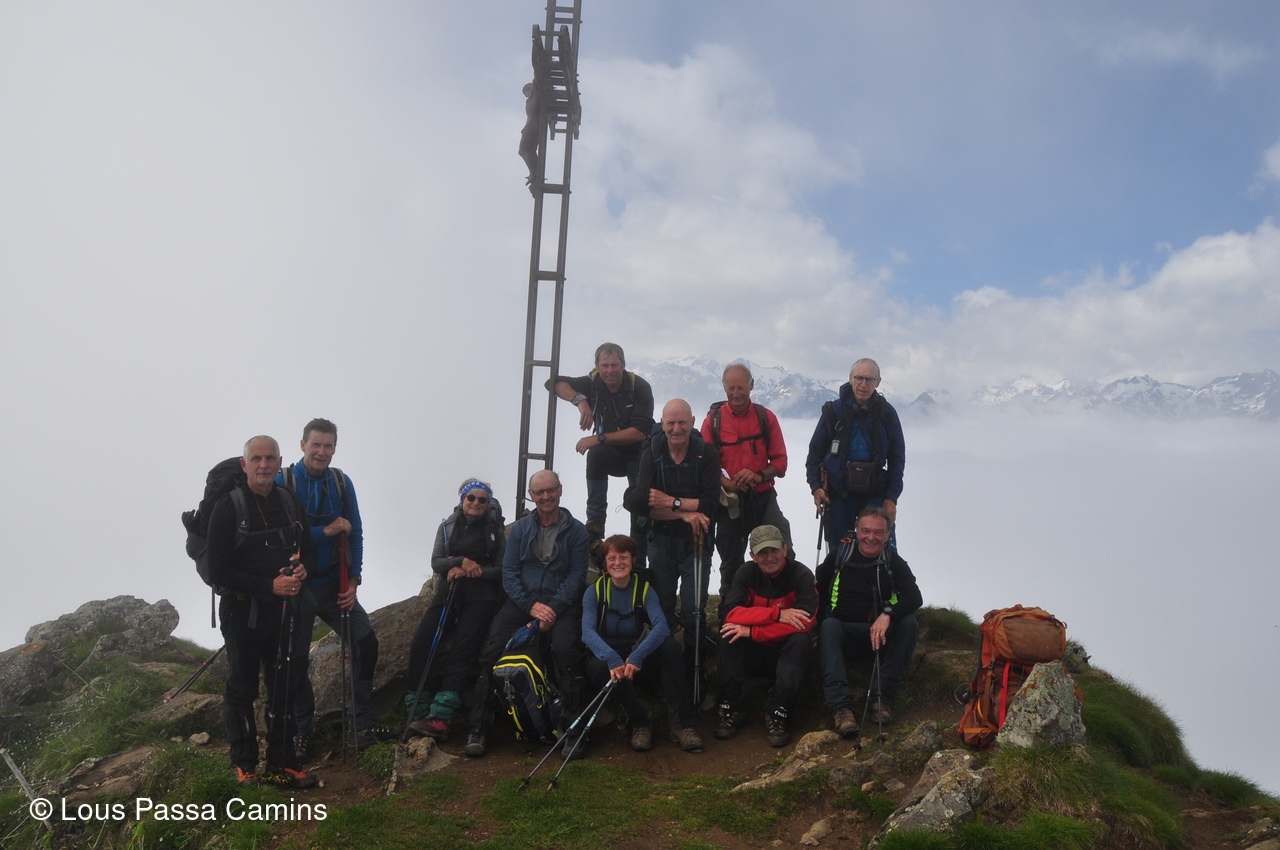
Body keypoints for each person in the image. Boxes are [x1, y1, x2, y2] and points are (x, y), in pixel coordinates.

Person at [206, 435, 319, 788]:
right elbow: (217, 571)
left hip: (284, 611)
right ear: (245, 465)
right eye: (256, 459)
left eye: (270, 458)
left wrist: (303, 568)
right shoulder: (229, 507)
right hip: (242, 611)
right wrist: (269, 585)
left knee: (283, 685)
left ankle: (282, 763)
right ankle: (245, 765)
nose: (264, 465)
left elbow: (309, 549)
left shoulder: (288, 500)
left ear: (280, 462)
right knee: (242, 688)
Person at [278, 418, 388, 756]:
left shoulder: (341, 482)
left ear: (335, 448)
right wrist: (325, 532)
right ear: (302, 445)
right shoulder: (284, 483)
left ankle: (360, 724)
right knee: (295, 658)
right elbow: (281, 536)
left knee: (366, 643)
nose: (321, 452)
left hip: (334, 583)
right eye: (316, 444)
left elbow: (355, 532)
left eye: (328, 446)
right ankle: (302, 730)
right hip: (298, 586)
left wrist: (353, 580)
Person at [464, 470, 589, 758]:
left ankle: (575, 730)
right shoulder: (519, 529)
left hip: (562, 607)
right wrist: (532, 606)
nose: (546, 496)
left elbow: (576, 577)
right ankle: (479, 728)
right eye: (539, 492)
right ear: (531, 496)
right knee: (493, 652)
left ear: (560, 490)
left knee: (566, 651)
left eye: (551, 490)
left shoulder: (578, 531)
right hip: (522, 604)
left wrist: (552, 609)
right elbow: (509, 574)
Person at [581, 535, 703, 753]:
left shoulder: (645, 589)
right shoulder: (595, 591)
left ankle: (683, 725)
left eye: (623, 557)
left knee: (670, 647)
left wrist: (638, 655)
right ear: (605, 563)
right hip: (611, 660)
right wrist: (612, 658)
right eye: (611, 558)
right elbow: (587, 632)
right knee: (597, 667)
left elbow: (662, 627)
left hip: (639, 659)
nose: (618, 563)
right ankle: (640, 722)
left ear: (633, 560)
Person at [405, 478, 506, 741]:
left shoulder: (495, 530)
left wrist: (472, 570)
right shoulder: (447, 526)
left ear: (488, 503)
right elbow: (436, 561)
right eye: (471, 498)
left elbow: (502, 570)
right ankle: (417, 709)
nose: (476, 503)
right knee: (421, 642)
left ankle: (442, 715)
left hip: (481, 598)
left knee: (462, 650)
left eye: (482, 499)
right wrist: (461, 561)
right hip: (447, 594)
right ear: (462, 499)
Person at [624, 399, 720, 657]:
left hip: (697, 542)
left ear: (692, 422)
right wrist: (686, 513)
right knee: (660, 606)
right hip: (661, 541)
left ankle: (693, 661)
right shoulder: (652, 452)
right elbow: (640, 504)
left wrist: (670, 502)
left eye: (682, 422)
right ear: (662, 423)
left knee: (694, 609)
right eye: (671, 423)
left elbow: (711, 505)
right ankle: (664, 662)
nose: (676, 428)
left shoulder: (707, 454)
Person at [815, 506, 921, 735]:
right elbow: (818, 591)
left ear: (888, 535)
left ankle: (882, 699)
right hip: (845, 635)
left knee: (909, 624)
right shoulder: (840, 555)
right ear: (857, 531)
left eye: (878, 532)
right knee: (829, 626)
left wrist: (888, 614)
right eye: (865, 531)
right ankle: (841, 709)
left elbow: (915, 597)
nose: (871, 537)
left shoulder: (893, 560)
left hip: (881, 638)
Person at [715, 524, 816, 748]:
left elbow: (805, 623)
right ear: (752, 555)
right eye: (762, 552)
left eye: (774, 550)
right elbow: (730, 614)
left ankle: (779, 710)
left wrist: (752, 630)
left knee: (800, 640)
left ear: (785, 549)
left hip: (783, 654)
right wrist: (776, 614)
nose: (769, 557)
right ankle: (731, 706)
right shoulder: (746, 573)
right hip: (752, 654)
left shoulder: (801, 575)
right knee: (728, 633)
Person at [549, 342, 655, 548]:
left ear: (623, 365)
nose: (610, 371)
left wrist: (599, 438)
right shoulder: (593, 383)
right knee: (596, 455)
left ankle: (638, 554)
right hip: (612, 455)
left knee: (639, 508)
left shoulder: (639, 387)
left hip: (640, 456)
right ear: (597, 366)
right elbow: (554, 383)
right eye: (604, 366)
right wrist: (580, 400)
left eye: (614, 365)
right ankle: (595, 524)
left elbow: (639, 432)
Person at [700, 363, 791, 598]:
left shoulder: (766, 418)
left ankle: (784, 602)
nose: (736, 393)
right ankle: (730, 609)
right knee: (731, 562)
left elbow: (781, 462)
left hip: (763, 498)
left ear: (751, 385)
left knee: (783, 548)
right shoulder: (713, 421)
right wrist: (726, 483)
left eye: (740, 387)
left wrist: (758, 475)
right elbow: (704, 465)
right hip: (730, 503)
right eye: (731, 388)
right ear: (724, 388)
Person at [806, 358, 905, 549]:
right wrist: (816, 486)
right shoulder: (833, 412)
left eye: (869, 379)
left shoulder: (886, 413)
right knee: (841, 551)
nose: (863, 384)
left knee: (881, 550)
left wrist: (891, 498)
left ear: (878, 382)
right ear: (850, 378)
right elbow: (814, 454)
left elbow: (897, 458)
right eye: (859, 378)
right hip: (839, 495)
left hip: (876, 494)